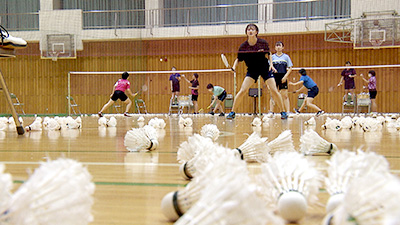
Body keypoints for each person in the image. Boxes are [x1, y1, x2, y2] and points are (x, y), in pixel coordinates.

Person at [227, 23, 287, 120]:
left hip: (264, 69)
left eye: (252, 29)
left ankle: (283, 112)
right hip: (252, 70)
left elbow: (269, 54)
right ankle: (232, 112)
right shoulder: (243, 46)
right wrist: (234, 67)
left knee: (274, 90)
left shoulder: (262, 43)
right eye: (248, 29)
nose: (250, 31)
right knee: (243, 90)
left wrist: (271, 65)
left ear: (256, 32)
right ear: (246, 32)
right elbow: (238, 59)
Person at [271, 41, 293, 113]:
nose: (278, 47)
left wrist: (285, 77)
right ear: (275, 47)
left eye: (279, 45)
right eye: (276, 45)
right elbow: (269, 68)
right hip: (274, 77)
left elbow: (290, 68)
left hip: (283, 77)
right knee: (273, 95)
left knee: (285, 96)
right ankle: (271, 112)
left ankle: (288, 112)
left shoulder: (286, 57)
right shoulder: (272, 57)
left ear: (283, 47)